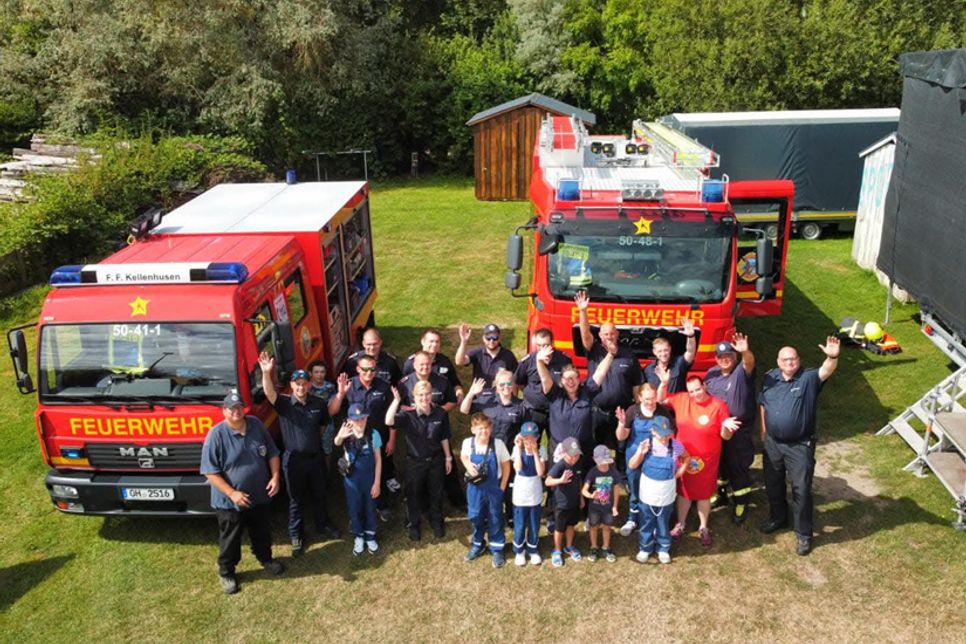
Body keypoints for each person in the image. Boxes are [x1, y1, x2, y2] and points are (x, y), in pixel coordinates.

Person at [759, 337, 840, 556]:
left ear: (798, 360)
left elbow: (827, 370)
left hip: (799, 446)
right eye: (785, 359)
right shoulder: (769, 377)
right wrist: (764, 431)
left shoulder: (809, 378)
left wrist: (832, 356)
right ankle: (778, 518)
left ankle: (804, 535)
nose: (789, 362)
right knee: (773, 484)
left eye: (793, 359)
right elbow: (763, 405)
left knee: (801, 490)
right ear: (778, 361)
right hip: (773, 444)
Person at [259, 352, 344, 558]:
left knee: (320, 494)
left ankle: (323, 524)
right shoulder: (285, 404)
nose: (300, 387)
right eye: (297, 384)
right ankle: (296, 535)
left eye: (304, 384)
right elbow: (269, 393)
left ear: (309, 384)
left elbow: (323, 427)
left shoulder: (318, 403)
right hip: (293, 461)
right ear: (291, 385)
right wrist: (266, 373)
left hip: (315, 459)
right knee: (295, 500)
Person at [200, 391, 284, 594]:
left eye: (239, 407)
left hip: (259, 495)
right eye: (231, 408)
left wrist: (275, 477)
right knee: (231, 538)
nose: (236, 411)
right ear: (224, 411)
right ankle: (227, 572)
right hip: (230, 503)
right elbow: (210, 472)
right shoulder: (216, 435)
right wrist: (232, 493)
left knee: (262, 532)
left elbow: (272, 453)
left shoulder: (255, 424)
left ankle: (266, 559)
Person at [659, 372, 739, 548]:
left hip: (707, 459)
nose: (696, 394)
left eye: (698, 389)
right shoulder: (681, 399)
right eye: (692, 391)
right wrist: (664, 383)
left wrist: (726, 428)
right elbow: (661, 400)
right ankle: (680, 524)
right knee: (684, 490)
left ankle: (703, 527)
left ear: (705, 386)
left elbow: (726, 436)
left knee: (703, 493)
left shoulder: (719, 406)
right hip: (684, 457)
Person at [575, 291, 644, 460]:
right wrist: (583, 311)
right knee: (594, 447)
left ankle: (621, 477)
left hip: (620, 412)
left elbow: (636, 384)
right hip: (596, 410)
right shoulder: (594, 351)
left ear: (617, 334)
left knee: (621, 446)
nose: (609, 337)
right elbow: (584, 334)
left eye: (612, 333)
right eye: (605, 334)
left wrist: (637, 408)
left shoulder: (629, 355)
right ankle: (593, 476)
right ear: (600, 335)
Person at [385, 381, 454, 541]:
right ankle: (414, 524)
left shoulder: (441, 413)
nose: (424, 398)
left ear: (431, 395)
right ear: (414, 397)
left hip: (436, 461)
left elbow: (444, 437)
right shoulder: (407, 416)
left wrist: (448, 457)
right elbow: (388, 421)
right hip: (415, 463)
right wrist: (396, 401)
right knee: (413, 494)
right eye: (420, 395)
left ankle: (437, 521)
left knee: (436, 493)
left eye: (427, 394)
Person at [461, 370, 528, 522]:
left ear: (514, 386)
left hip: (508, 453)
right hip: (486, 452)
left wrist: (520, 438)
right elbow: (464, 410)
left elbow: (525, 428)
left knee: (509, 485)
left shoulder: (520, 406)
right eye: (502, 384)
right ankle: (486, 515)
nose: (506, 387)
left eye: (509, 383)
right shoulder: (486, 400)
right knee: (486, 483)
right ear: (496, 386)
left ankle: (510, 515)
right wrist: (471, 393)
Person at [704, 334, 757, 524]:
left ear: (735, 357)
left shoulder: (741, 372)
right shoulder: (711, 375)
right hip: (717, 433)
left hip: (738, 434)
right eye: (720, 357)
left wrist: (745, 351)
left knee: (738, 469)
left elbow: (749, 362)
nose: (724, 359)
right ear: (716, 359)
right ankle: (721, 495)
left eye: (728, 355)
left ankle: (741, 502)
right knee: (719, 467)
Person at [615, 384, 676, 536]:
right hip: (635, 453)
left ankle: (651, 520)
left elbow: (671, 435)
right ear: (640, 398)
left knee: (654, 489)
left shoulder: (662, 411)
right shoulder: (632, 411)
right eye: (647, 399)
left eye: (654, 398)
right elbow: (620, 437)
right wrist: (622, 424)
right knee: (635, 487)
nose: (651, 402)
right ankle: (632, 519)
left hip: (656, 456)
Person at [628, 416, 687, 564]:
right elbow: (632, 465)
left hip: (666, 492)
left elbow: (686, 457)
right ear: (653, 431)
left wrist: (681, 471)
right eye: (662, 434)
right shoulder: (646, 445)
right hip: (648, 492)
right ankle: (645, 548)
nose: (666, 437)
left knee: (663, 521)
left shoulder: (676, 446)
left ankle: (663, 548)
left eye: (668, 433)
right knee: (647, 521)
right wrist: (640, 452)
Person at [344, 353, 398, 515]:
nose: (369, 373)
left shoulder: (384, 386)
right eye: (365, 369)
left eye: (372, 369)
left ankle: (381, 504)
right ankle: (358, 506)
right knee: (357, 471)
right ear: (358, 369)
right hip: (356, 438)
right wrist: (340, 395)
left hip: (378, 437)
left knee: (380, 469)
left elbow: (392, 415)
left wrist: (392, 439)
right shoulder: (348, 386)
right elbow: (337, 411)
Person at [461, 413, 512, 567]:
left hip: (493, 488)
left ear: (491, 428)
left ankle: (497, 548)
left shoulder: (498, 444)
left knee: (495, 518)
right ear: (473, 429)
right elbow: (464, 457)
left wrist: (502, 487)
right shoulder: (467, 443)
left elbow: (506, 466)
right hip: (474, 489)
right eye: (480, 428)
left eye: (487, 428)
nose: (484, 431)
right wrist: (469, 466)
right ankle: (478, 544)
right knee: (475, 516)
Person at [334, 404, 382, 556]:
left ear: (367, 418)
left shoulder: (373, 434)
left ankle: (370, 535)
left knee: (370, 507)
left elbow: (378, 460)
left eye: (363, 418)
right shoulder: (346, 434)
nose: (360, 422)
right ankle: (358, 536)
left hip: (369, 479)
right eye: (356, 419)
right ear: (349, 420)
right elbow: (336, 442)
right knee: (354, 508)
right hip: (352, 481)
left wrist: (377, 483)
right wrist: (341, 435)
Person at [514, 327, 572, 433]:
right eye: (539, 345)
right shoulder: (528, 361)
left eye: (545, 345)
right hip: (533, 411)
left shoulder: (564, 360)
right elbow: (519, 382)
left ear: (552, 344)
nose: (542, 349)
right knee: (531, 444)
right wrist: (533, 394)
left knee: (557, 445)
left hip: (556, 411)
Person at [455, 322, 519, 407]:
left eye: (495, 337)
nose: (491, 341)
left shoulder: (508, 355)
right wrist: (463, 341)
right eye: (488, 338)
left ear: (500, 338)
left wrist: (513, 402)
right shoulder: (478, 352)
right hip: (480, 398)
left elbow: (515, 380)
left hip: (501, 399)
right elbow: (459, 361)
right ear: (483, 338)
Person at [545, 437, 585, 567]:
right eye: (572, 455)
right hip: (561, 505)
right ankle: (557, 550)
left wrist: (581, 497)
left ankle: (569, 546)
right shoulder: (560, 465)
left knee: (571, 525)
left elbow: (579, 481)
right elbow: (547, 481)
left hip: (574, 502)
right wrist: (560, 480)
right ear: (564, 452)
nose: (575, 458)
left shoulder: (578, 464)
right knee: (559, 528)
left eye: (577, 455)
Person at [511, 421, 546, 566]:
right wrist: (519, 449)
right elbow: (518, 468)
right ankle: (519, 551)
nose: (529, 440)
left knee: (533, 524)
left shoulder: (542, 449)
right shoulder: (516, 450)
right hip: (520, 495)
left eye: (532, 437)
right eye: (526, 437)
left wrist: (536, 453)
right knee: (519, 525)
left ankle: (532, 549)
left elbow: (540, 472)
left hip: (534, 495)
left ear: (537, 437)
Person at [582, 445, 623, 563]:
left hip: (608, 507)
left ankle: (606, 547)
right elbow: (584, 490)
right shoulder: (592, 472)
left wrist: (615, 506)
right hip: (594, 508)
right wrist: (591, 496)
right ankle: (594, 547)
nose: (605, 464)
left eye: (607, 461)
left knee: (607, 527)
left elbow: (616, 490)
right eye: (602, 462)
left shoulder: (614, 472)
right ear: (595, 460)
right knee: (593, 527)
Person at [403, 328, 464, 402]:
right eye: (431, 341)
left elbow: (455, 382)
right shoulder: (411, 363)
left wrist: (459, 392)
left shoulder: (444, 361)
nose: (434, 344)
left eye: (437, 342)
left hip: (440, 405)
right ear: (423, 342)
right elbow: (404, 385)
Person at [643, 320, 697, 394]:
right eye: (660, 351)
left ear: (670, 349)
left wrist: (691, 336)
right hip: (657, 404)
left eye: (666, 350)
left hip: (676, 404)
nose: (663, 354)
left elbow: (690, 352)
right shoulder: (648, 369)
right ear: (654, 352)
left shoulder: (679, 363)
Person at [308, 360, 337, 458]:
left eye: (322, 372)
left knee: (326, 452)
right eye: (316, 372)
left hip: (327, 424)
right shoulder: (306, 388)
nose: (319, 375)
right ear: (310, 373)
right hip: (311, 424)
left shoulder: (330, 387)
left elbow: (332, 407)